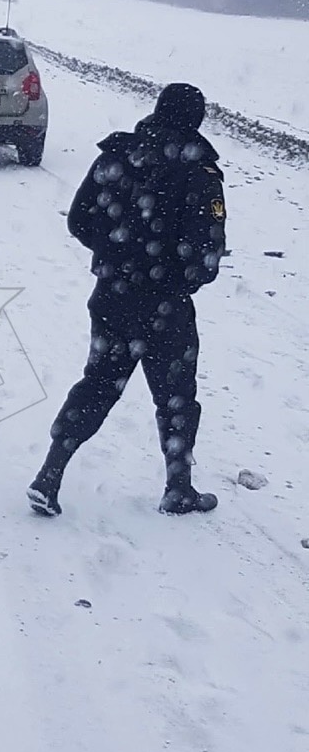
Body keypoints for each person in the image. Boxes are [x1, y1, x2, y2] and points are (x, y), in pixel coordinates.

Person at [28, 83, 227, 518]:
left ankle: (50, 473)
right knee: (175, 396)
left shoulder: (118, 155)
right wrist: (179, 276)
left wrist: (118, 256)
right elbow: (206, 255)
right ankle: (178, 488)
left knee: (98, 384)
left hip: (113, 296)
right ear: (195, 120)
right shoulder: (200, 173)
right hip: (166, 306)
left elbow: (79, 220)